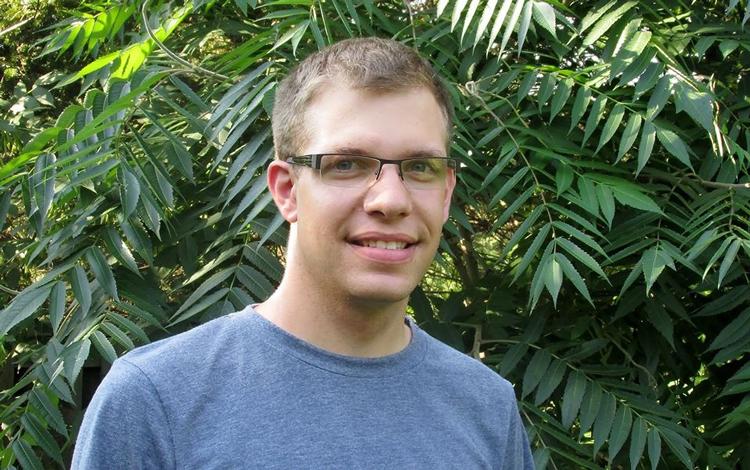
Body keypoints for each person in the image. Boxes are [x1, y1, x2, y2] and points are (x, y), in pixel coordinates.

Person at [72, 37, 534, 469]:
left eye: (419, 167)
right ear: (287, 190)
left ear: (447, 191)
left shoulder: (486, 406)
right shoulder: (155, 401)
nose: (390, 200)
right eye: (347, 165)